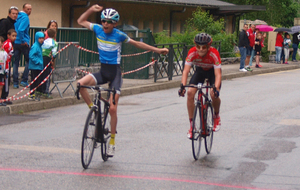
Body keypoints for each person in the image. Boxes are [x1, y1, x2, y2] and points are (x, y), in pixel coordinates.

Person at [77, 5, 169, 157]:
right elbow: (81, 21)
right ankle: (93, 110)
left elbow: (137, 44)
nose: (105, 24)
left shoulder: (119, 35)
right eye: (103, 21)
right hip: (102, 71)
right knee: (80, 85)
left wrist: (157, 50)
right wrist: (91, 10)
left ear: (115, 24)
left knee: (112, 109)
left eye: (109, 22)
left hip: (115, 74)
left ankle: (112, 142)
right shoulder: (97, 29)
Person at [178, 33, 222, 139]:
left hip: (212, 72)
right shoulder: (192, 53)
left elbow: (218, 74)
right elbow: (186, 71)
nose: (201, 49)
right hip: (200, 72)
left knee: (213, 93)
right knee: (190, 93)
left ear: (208, 47)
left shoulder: (214, 53)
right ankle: (192, 126)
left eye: (204, 47)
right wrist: (182, 86)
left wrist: (216, 88)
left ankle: (216, 116)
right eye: (198, 47)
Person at [0, 6, 19, 104]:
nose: (15, 15)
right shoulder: (4, 22)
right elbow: (2, 36)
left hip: (8, 57)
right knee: (3, 77)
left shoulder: (13, 24)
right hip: (3, 56)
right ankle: (2, 96)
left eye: (16, 14)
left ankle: (5, 96)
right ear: (9, 14)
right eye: (13, 13)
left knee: (6, 77)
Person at [13, 3, 32, 89]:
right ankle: (24, 80)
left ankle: (15, 82)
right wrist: (23, 40)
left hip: (15, 42)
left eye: (30, 9)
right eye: (28, 9)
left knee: (16, 62)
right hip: (22, 42)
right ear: (24, 9)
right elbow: (21, 30)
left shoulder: (17, 16)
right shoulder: (25, 18)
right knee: (29, 60)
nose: (29, 11)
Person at [41, 28, 58, 98]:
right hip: (48, 59)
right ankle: (46, 91)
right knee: (47, 75)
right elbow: (54, 54)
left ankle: (40, 90)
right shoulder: (54, 43)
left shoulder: (44, 41)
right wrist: (53, 59)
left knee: (41, 74)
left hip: (41, 58)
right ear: (55, 35)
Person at [28, 31, 44, 101]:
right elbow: (31, 55)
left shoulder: (40, 46)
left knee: (37, 81)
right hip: (35, 66)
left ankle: (34, 94)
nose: (42, 40)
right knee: (34, 81)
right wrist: (38, 62)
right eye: (40, 38)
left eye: (43, 38)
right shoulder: (35, 46)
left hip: (38, 66)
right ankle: (31, 94)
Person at [2, 29, 17, 104]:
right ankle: (3, 96)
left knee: (6, 81)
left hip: (7, 64)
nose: (14, 37)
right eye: (13, 36)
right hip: (5, 65)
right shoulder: (8, 44)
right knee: (5, 81)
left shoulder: (10, 43)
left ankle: (5, 96)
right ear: (8, 35)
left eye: (15, 36)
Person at [0, 37, 8, 106]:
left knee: (1, 87)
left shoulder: (4, 53)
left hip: (2, 72)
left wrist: (6, 71)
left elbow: (6, 62)